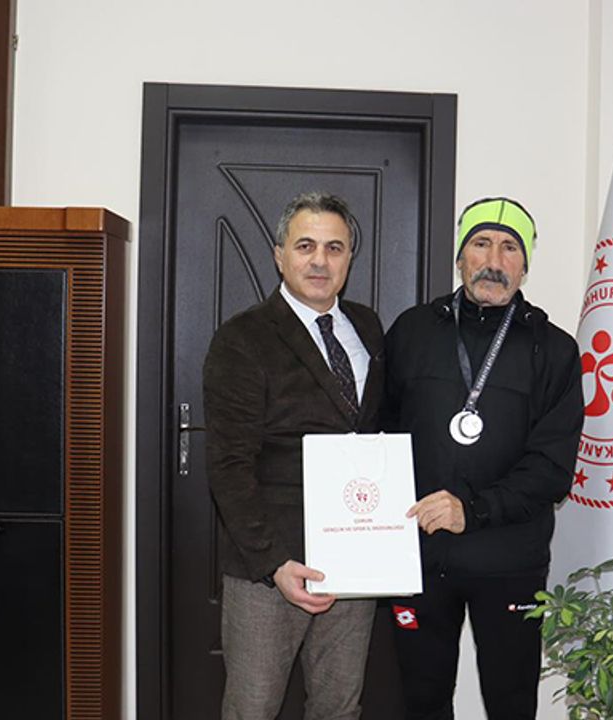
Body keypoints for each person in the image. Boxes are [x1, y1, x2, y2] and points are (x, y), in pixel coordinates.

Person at [384, 196, 584, 719]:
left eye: (509, 247)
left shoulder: (555, 350)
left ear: (525, 264)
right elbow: (377, 435)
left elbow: (552, 470)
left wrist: (470, 511)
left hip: (509, 561)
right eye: (481, 243)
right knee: (420, 700)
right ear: (460, 258)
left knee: (511, 703)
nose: (494, 260)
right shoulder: (411, 331)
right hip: (417, 558)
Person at [203, 192, 385, 720]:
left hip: (354, 559)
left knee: (339, 707)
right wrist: (274, 563)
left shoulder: (368, 328)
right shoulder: (243, 338)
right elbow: (229, 465)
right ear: (279, 255)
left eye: (335, 247)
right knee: (253, 708)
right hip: (271, 567)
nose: (320, 261)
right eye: (306, 246)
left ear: (349, 259)